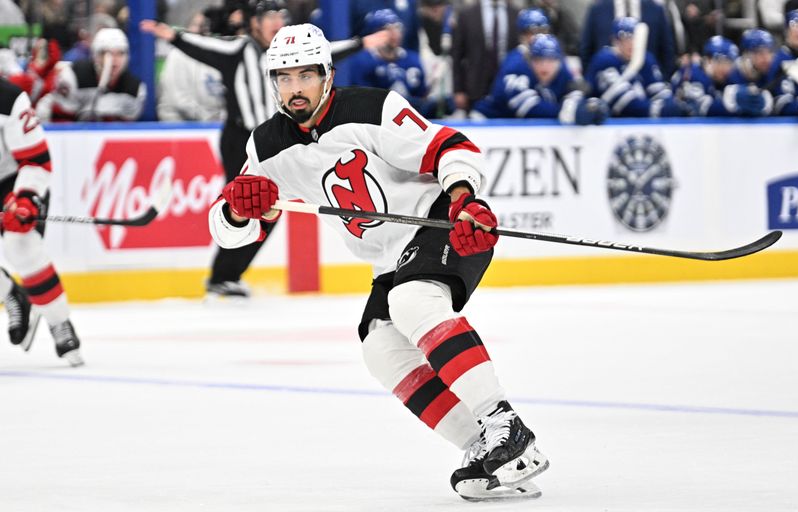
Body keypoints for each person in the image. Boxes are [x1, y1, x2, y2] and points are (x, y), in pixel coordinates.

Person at [208, 22, 549, 501]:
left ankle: (504, 423)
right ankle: (483, 449)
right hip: (388, 260)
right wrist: (235, 208)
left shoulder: (372, 107)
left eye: (305, 75)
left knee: (412, 302)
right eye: (283, 78)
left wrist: (465, 200)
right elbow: (226, 229)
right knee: (380, 347)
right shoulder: (265, 144)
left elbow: (451, 147)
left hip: (439, 226)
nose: (294, 88)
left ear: (327, 74)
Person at [141, 0, 391, 299]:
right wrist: (174, 36)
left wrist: (362, 42)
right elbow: (203, 47)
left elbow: (327, 53)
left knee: (269, 209)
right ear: (254, 23)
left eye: (278, 15)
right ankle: (223, 276)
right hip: (241, 139)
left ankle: (226, 275)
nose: (275, 21)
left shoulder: (292, 55)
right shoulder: (237, 51)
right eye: (267, 16)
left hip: (275, 139)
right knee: (244, 204)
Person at [0, 77, 83, 366]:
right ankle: (12, 294)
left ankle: (59, 321)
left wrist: (25, 198)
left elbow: (36, 161)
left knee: (21, 246)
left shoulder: (8, 97)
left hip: (13, 182)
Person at [473, 34, 608, 125]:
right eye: (538, 60)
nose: (544, 66)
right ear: (530, 60)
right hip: (487, 122)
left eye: (550, 60)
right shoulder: (517, 68)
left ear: (559, 60)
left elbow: (574, 95)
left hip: (515, 129)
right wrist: (567, 112)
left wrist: (586, 107)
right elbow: (529, 109)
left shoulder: (563, 71)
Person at [36, 27, 146, 122]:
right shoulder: (73, 76)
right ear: (95, 55)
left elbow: (123, 131)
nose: (114, 60)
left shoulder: (134, 89)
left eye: (120, 53)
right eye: (106, 53)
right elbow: (59, 119)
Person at [585, 17, 684, 118]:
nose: (631, 43)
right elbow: (624, 105)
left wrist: (674, 106)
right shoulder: (604, 60)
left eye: (635, 38)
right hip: (608, 125)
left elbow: (660, 93)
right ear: (615, 40)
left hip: (641, 123)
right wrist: (659, 110)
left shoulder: (646, 59)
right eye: (625, 38)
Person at [350, 9, 437, 117]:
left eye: (397, 27)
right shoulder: (362, 61)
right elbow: (364, 100)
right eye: (387, 29)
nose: (394, 33)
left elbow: (423, 96)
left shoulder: (412, 60)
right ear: (374, 33)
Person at [451, 0, 519, 114]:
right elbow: (457, 55)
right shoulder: (467, 14)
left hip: (508, 88)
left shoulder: (515, 13)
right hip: (475, 89)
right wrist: (458, 89)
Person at [157, 11, 226, 122]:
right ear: (187, 27)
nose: (200, 29)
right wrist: (208, 118)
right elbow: (179, 100)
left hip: (211, 123)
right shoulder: (177, 54)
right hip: (178, 124)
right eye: (195, 24)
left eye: (205, 25)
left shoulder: (217, 53)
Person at [580, 0, 677, 76]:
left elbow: (667, 50)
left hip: (646, 88)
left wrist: (661, 81)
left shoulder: (655, 9)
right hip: (607, 88)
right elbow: (586, 49)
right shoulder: (598, 9)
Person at [671, 35, 740, 116]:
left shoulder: (726, 78)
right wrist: (734, 103)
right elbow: (699, 109)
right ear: (708, 60)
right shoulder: (693, 74)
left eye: (730, 63)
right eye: (722, 62)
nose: (727, 69)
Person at [725, 28, 777, 117]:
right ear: (747, 54)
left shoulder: (773, 72)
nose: (767, 58)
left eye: (769, 52)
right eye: (760, 53)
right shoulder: (731, 73)